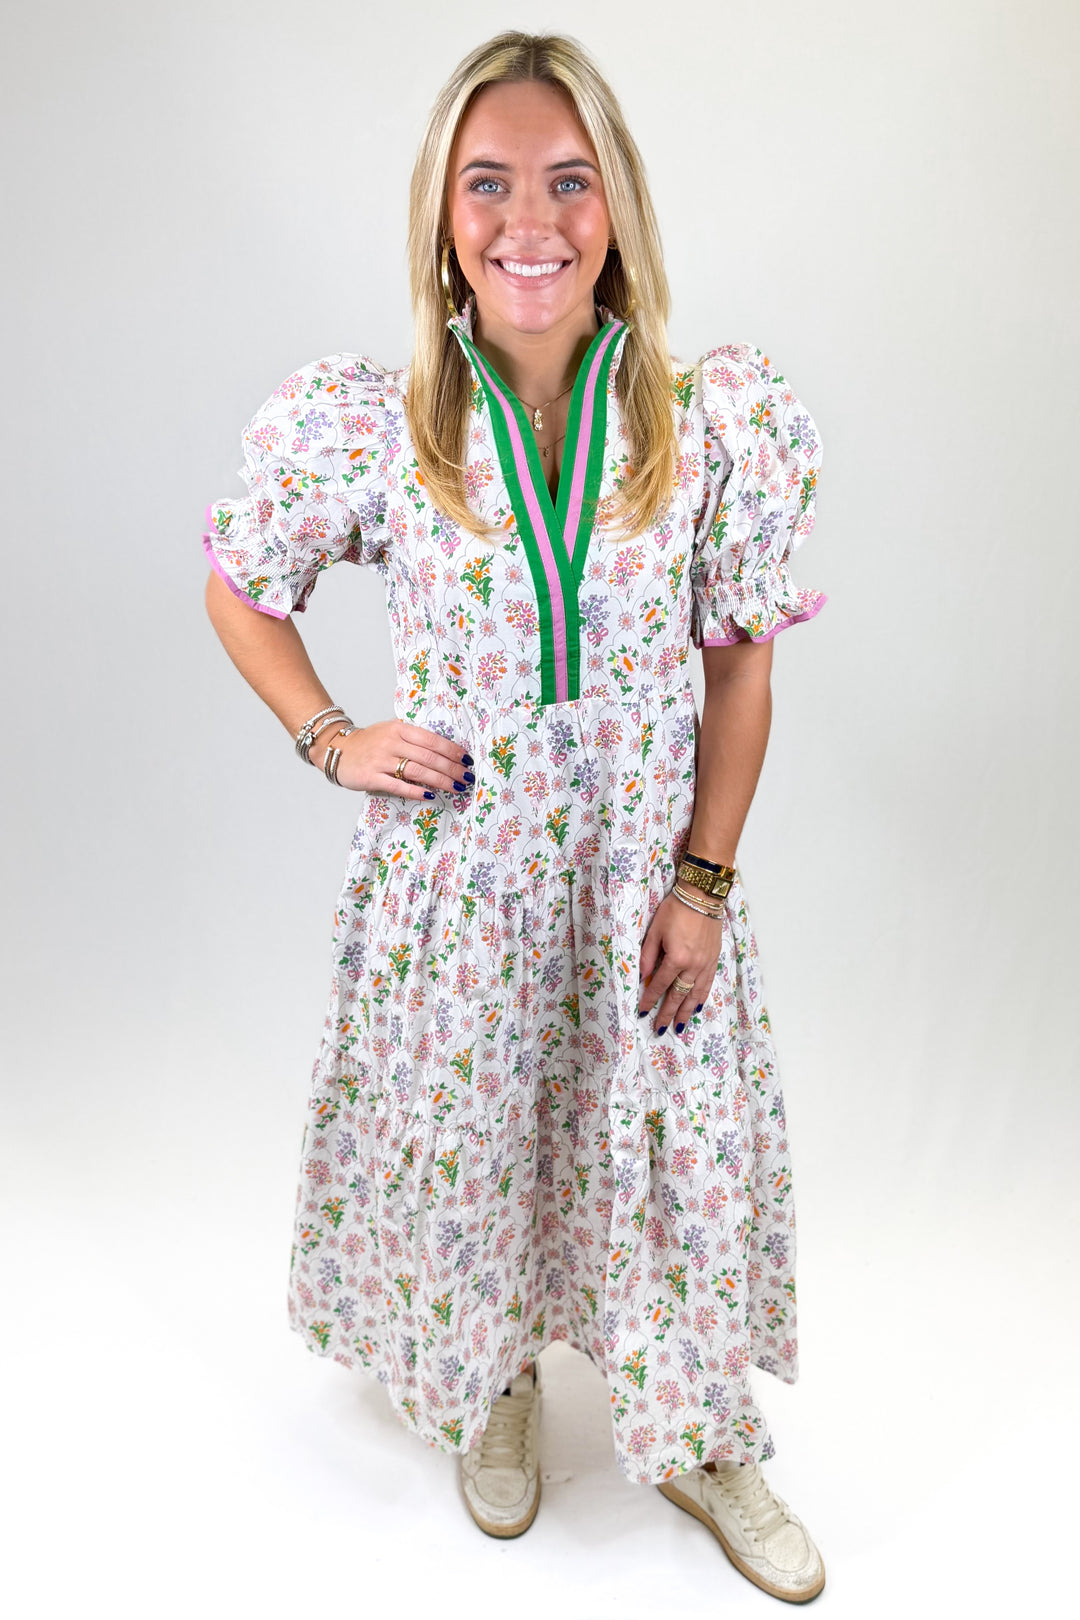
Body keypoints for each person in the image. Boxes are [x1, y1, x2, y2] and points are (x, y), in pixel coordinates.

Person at [202, 29, 827, 1605]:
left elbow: (740, 681)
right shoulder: (379, 423)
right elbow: (239, 587)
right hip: (463, 884)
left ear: (615, 207)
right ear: (442, 213)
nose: (527, 218)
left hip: (638, 880)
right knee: (480, 1140)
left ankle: (695, 1434)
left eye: (568, 179)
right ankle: (496, 1382)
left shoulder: (703, 424)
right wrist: (331, 736)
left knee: (664, 1143)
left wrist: (701, 877)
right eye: (489, 183)